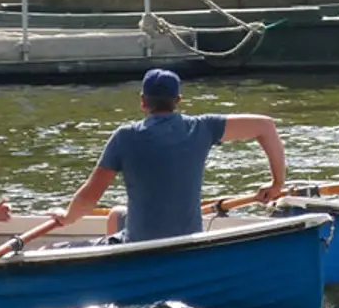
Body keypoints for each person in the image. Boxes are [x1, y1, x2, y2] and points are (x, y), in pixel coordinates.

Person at [44, 69, 291, 246]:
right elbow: (265, 126)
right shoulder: (202, 128)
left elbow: (90, 195)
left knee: (56, 249)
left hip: (140, 245)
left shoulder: (125, 137)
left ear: (143, 102)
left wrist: (67, 217)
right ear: (178, 101)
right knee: (118, 214)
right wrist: (277, 183)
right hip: (186, 243)